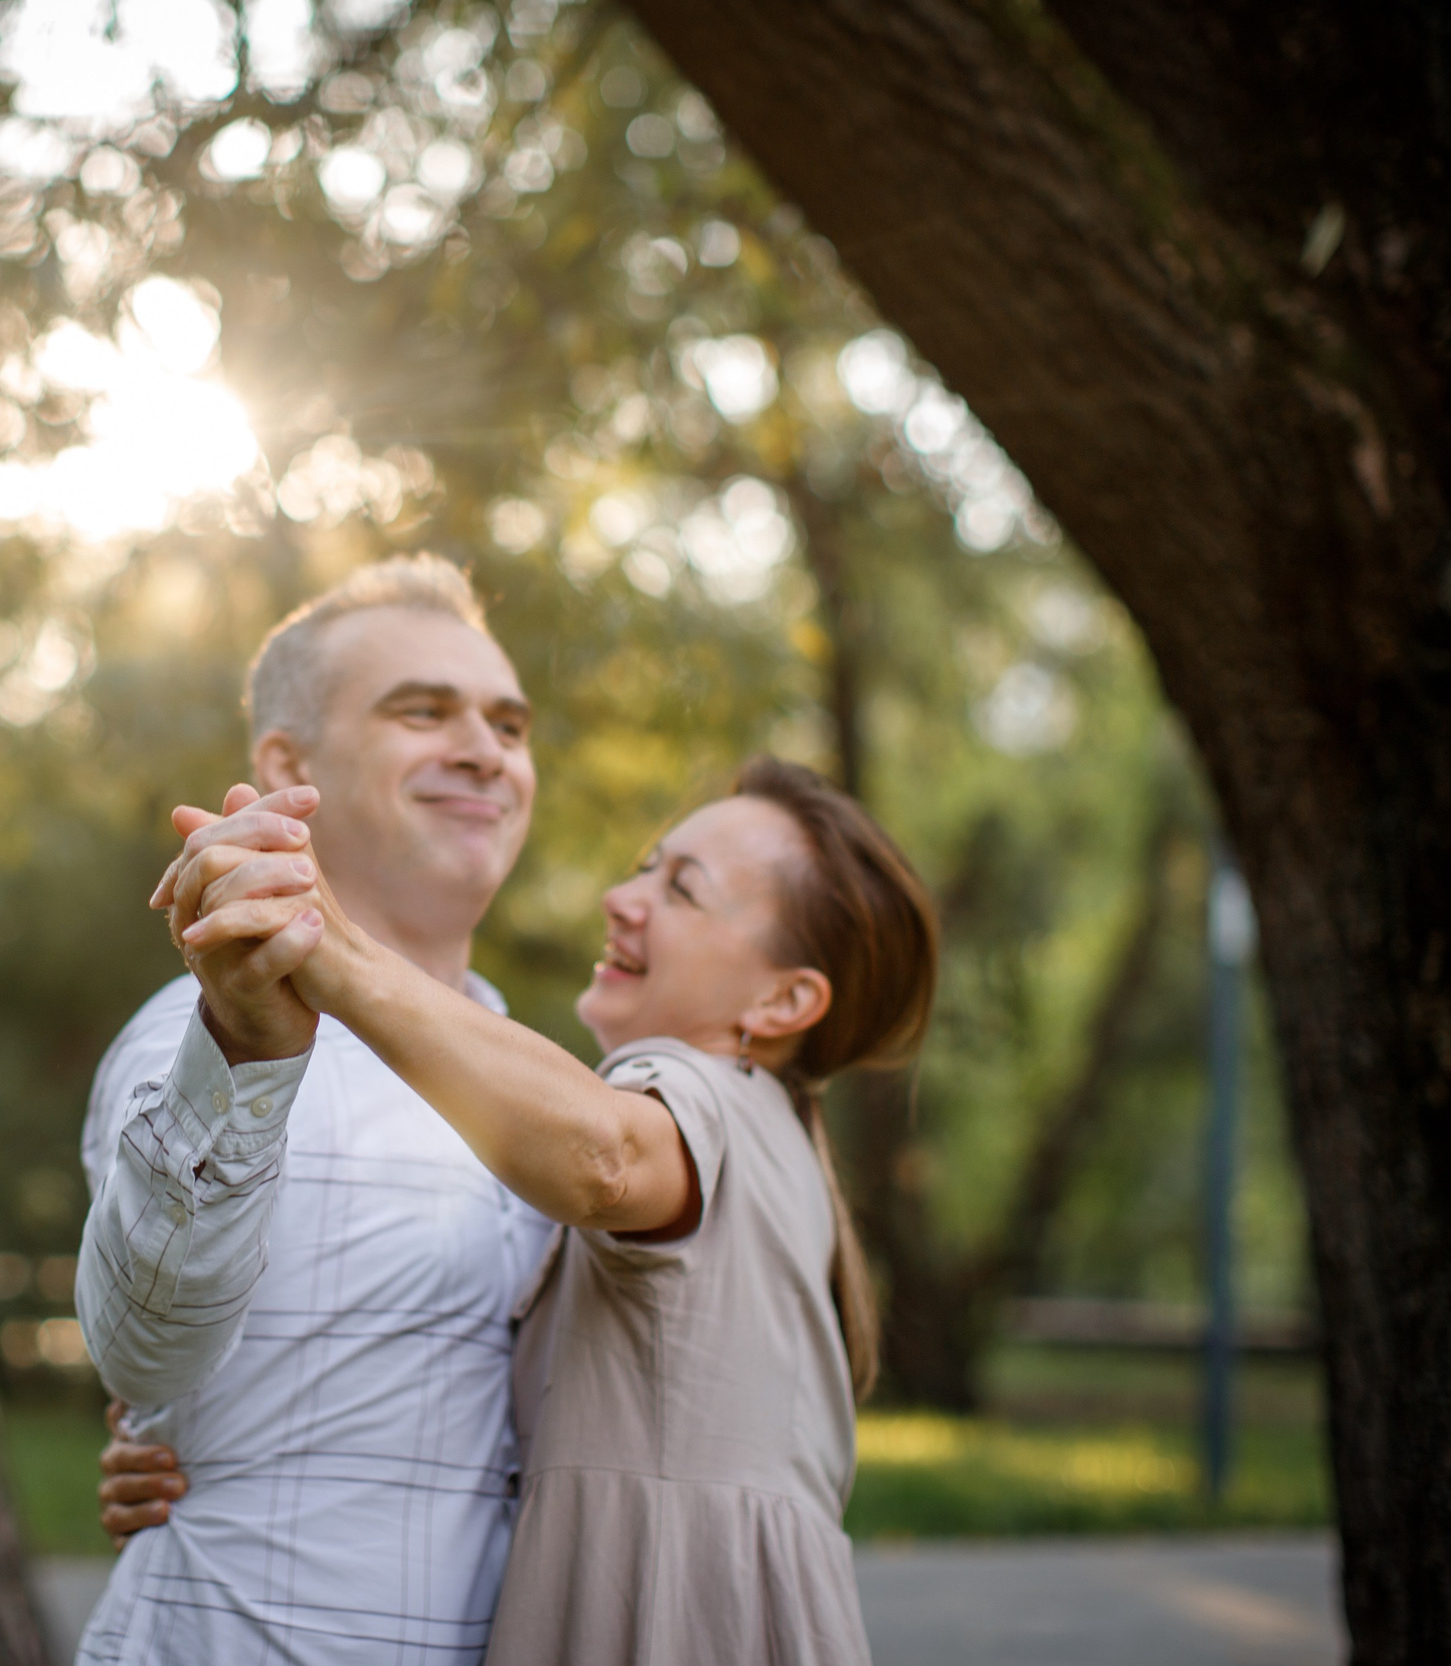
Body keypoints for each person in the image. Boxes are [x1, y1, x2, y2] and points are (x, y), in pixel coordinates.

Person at [150, 754, 937, 1664]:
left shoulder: (700, 1090)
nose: (620, 896)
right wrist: (198, 1449)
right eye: (646, 865)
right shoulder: (777, 1133)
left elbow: (602, 1159)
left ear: (785, 998)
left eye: (681, 889)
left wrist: (329, 945)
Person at [70, 555, 556, 1664]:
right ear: (288, 763)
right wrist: (241, 1043)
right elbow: (142, 1352)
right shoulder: (195, 1031)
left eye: (509, 724)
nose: (485, 749)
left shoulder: (536, 1073)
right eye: (421, 711)